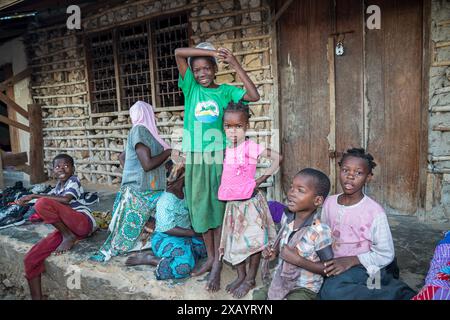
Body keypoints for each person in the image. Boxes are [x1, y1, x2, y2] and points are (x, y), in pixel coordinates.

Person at [175, 42, 260, 291]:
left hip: (221, 157)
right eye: (197, 69)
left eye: (207, 68)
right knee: (200, 208)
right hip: (196, 158)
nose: (202, 74)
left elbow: (253, 96)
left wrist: (233, 62)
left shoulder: (224, 91)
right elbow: (179, 53)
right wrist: (211, 52)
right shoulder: (190, 88)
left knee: (220, 208)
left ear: (215, 69)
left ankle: (218, 262)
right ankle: (211, 257)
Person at [318, 148, 416, 300]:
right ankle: (382, 282)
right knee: (317, 285)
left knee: (331, 291)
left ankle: (398, 292)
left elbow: (386, 253)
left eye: (358, 173)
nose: (350, 176)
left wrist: (351, 260)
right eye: (345, 170)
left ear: (368, 177)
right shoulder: (329, 202)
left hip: (364, 264)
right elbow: (322, 234)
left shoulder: (374, 211)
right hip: (336, 264)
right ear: (339, 171)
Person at [90, 101, 172, 262]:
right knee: (129, 230)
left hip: (139, 187)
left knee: (134, 226)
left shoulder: (141, 132)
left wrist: (131, 174)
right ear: (148, 114)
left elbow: (123, 157)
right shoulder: (140, 131)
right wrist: (169, 152)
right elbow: (147, 164)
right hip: (141, 190)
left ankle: (143, 247)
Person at [218, 100, 280, 298]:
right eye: (228, 126)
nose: (233, 131)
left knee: (254, 242)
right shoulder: (225, 149)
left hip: (250, 203)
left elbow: (278, 157)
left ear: (247, 127)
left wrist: (262, 178)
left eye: (238, 127)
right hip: (233, 205)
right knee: (236, 241)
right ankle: (241, 275)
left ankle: (251, 278)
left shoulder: (250, 147)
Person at [20, 154, 98, 300]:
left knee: (41, 203)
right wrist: (24, 200)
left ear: (73, 169)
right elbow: (46, 201)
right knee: (31, 258)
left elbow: (66, 200)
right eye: (57, 167)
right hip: (69, 229)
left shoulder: (73, 181)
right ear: (53, 171)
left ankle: (68, 236)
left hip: (82, 223)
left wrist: (34, 197)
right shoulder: (58, 187)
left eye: (66, 166)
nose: (61, 169)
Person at [253, 168, 333, 300]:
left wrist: (298, 260)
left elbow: (328, 269)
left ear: (317, 200)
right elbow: (284, 246)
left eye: (300, 190)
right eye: (292, 188)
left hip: (304, 288)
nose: (291, 193)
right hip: (282, 280)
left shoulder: (320, 231)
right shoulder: (287, 219)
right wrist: (274, 253)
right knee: (258, 297)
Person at [125, 159, 207, 279]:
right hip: (166, 237)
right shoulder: (166, 200)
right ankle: (151, 259)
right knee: (183, 266)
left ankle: (170, 254)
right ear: (182, 178)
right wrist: (194, 233)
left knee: (205, 249)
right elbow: (167, 228)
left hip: (185, 235)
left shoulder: (185, 191)